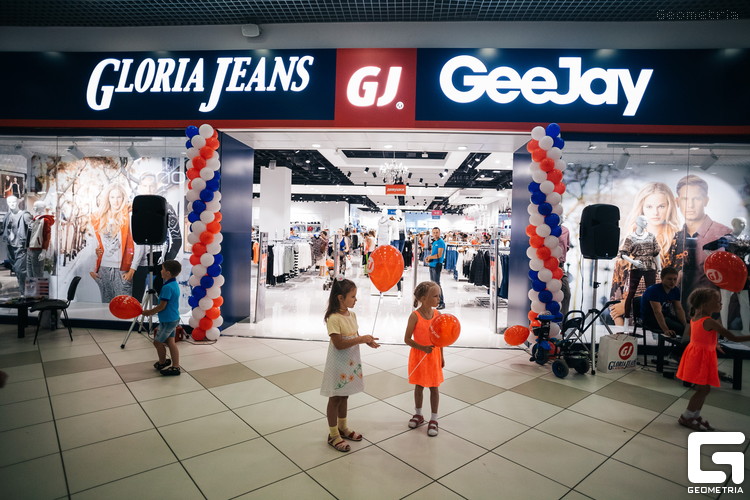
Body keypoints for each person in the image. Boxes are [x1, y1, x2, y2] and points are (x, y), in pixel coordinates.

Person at [676, 288, 750, 431]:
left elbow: (698, 335)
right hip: (701, 357)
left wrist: (713, 343)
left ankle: (694, 415)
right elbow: (732, 337)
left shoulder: (695, 317)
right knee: (703, 390)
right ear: (705, 305)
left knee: (704, 389)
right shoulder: (709, 321)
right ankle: (686, 417)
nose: (721, 304)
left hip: (697, 354)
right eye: (717, 302)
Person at [319, 278, 380, 452]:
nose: (356, 299)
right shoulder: (333, 318)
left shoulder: (352, 315)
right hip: (338, 364)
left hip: (350, 362)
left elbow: (354, 335)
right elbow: (339, 344)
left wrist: (366, 340)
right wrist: (361, 339)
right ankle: (333, 435)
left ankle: (342, 427)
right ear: (340, 298)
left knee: (344, 395)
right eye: (352, 296)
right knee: (335, 397)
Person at [610, 182, 681, 325]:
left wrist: (630, 304)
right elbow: (615, 298)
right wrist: (621, 330)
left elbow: (671, 292)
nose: (655, 212)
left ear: (669, 207)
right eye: (649, 206)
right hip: (628, 323)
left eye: (661, 206)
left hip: (661, 323)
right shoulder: (627, 242)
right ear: (642, 208)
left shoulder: (676, 242)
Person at [670, 174, 731, 297]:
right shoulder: (675, 237)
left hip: (711, 305)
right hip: (679, 305)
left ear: (706, 201)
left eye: (696, 199)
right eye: (685, 199)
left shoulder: (724, 234)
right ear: (677, 202)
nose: (690, 205)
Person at [131, 173, 182, 300]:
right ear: (140, 187)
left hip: (159, 262)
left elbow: (177, 239)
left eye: (151, 186)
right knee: (136, 298)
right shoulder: (135, 208)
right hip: (138, 263)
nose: (148, 189)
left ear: (156, 187)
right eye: (145, 186)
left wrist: (166, 261)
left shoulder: (167, 208)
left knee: (157, 298)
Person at [89, 183, 142, 302]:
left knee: (123, 305)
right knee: (106, 306)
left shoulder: (129, 216)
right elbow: (94, 243)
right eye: (112, 197)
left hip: (122, 269)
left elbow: (138, 245)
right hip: (103, 269)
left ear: (123, 198)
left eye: (119, 197)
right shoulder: (99, 217)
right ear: (108, 198)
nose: (116, 201)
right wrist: (92, 268)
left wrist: (132, 270)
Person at [404, 281, 444, 437]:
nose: (438, 299)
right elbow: (407, 339)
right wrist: (422, 348)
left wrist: (442, 356)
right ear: (423, 298)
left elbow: (440, 338)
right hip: (419, 355)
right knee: (419, 386)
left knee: (434, 387)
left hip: (434, 356)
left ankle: (434, 418)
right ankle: (418, 414)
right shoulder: (415, 316)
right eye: (435, 296)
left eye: (438, 296)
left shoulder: (437, 315)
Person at [141, 259, 183, 376]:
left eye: (162, 269)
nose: (160, 271)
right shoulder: (173, 284)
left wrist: (149, 312)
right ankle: (174, 365)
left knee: (157, 342)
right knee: (171, 342)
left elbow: (162, 306)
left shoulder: (167, 287)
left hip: (168, 320)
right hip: (172, 318)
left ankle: (164, 362)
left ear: (168, 273)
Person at [619, 215, 661, 323]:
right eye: (643, 221)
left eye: (647, 221)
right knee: (631, 294)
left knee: (651, 294)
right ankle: (626, 321)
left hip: (650, 266)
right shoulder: (631, 237)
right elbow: (623, 254)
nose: (646, 223)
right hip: (636, 267)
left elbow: (656, 253)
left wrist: (660, 269)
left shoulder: (651, 236)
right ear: (637, 222)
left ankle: (650, 320)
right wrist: (633, 262)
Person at [641, 267, 687, 337]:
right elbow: (657, 312)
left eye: (675, 279)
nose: (672, 282)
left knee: (688, 326)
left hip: (666, 316)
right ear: (662, 278)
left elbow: (678, 309)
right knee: (680, 329)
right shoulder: (653, 290)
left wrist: (686, 325)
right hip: (651, 318)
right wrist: (666, 330)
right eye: (669, 279)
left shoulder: (675, 290)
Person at [1, 195, 32, 290]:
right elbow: (3, 229)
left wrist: (29, 245)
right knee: (16, 269)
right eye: (9, 202)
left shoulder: (25, 215)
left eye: (14, 202)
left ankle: (24, 291)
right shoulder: (7, 216)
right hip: (10, 246)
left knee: (20, 270)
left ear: (18, 202)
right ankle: (23, 290)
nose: (12, 204)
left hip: (21, 247)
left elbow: (33, 230)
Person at [26, 200, 55, 278]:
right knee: (30, 274)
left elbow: (47, 236)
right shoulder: (34, 219)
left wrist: (44, 250)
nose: (33, 208)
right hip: (30, 249)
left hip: (37, 249)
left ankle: (38, 286)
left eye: (35, 206)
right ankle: (32, 286)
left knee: (37, 274)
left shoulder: (45, 220)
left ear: (40, 208)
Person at [425, 227, 446, 309]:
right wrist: (429, 258)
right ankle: (435, 301)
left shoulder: (441, 242)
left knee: (437, 284)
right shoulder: (434, 242)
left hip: (437, 265)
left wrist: (430, 257)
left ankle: (441, 302)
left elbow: (439, 255)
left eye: (437, 232)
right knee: (433, 284)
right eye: (434, 232)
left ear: (439, 233)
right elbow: (433, 254)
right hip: (432, 264)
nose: (435, 234)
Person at [558, 224, 571, 315]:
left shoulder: (565, 230)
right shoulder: (543, 228)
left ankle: (562, 322)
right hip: (543, 265)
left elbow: (567, 248)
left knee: (566, 294)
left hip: (560, 266)